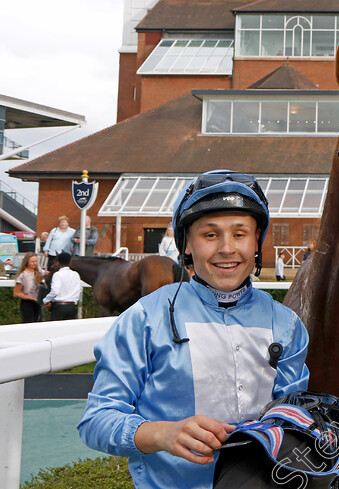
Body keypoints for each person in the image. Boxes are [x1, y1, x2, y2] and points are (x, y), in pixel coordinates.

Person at [78, 170, 311, 488]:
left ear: (258, 241)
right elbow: (96, 420)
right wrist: (162, 433)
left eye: (240, 234)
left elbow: (293, 416)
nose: (227, 249)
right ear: (186, 243)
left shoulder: (286, 324)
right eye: (210, 235)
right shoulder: (145, 318)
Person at [43, 252, 82, 320]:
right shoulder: (76, 274)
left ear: (58, 262)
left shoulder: (57, 274)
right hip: (71, 306)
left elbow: (55, 291)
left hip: (59, 307)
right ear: (70, 262)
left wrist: (46, 300)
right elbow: (79, 289)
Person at [13, 252, 45, 323]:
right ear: (27, 262)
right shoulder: (23, 275)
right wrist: (31, 298)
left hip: (37, 301)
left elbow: (45, 273)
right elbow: (16, 293)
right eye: (32, 262)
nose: (34, 263)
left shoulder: (38, 271)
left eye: (36, 261)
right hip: (27, 302)